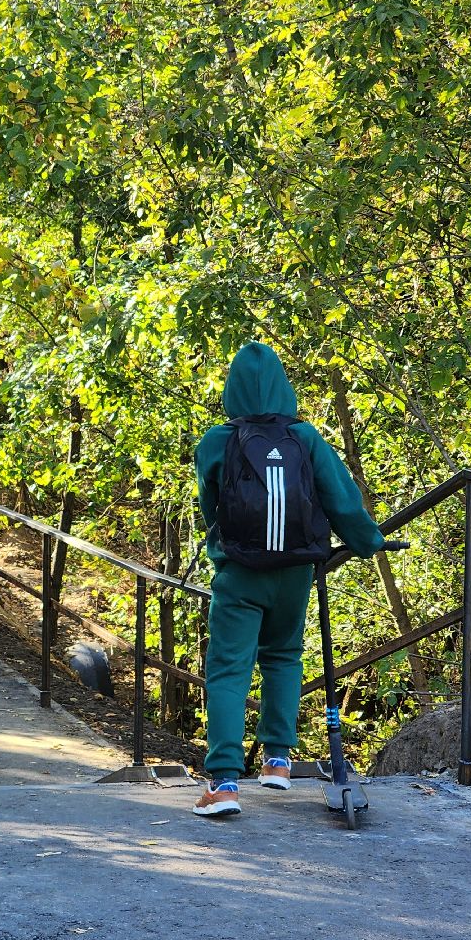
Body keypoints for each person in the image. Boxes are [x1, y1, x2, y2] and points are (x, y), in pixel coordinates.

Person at [191, 342, 384, 818]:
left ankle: (223, 784)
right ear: (283, 385)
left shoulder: (218, 440)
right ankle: (278, 760)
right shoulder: (306, 437)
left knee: (230, 669)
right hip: (296, 570)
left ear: (232, 388)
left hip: (240, 574)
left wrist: (226, 548)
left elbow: (209, 508)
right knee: (283, 657)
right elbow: (340, 500)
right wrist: (368, 542)